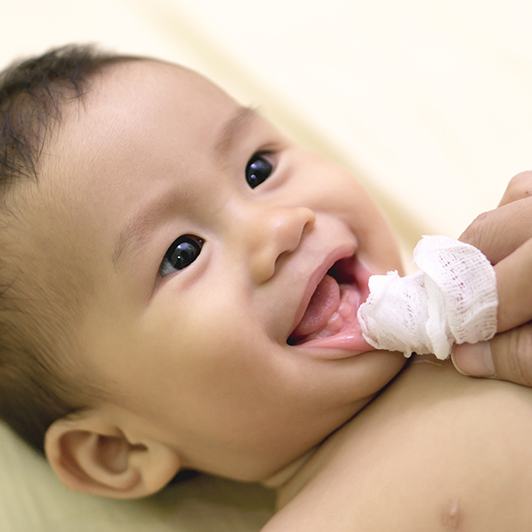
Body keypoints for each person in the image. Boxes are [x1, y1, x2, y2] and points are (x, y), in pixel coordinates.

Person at [0, 44, 531, 530]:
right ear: (118, 450)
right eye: (181, 254)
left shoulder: (502, 282)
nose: (278, 226)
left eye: (258, 169)